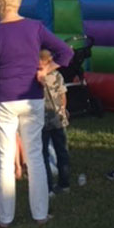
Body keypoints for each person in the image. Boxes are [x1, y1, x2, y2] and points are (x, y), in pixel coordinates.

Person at [0, 0, 73, 228]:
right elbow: (66, 52)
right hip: (31, 95)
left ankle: (5, 219)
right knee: (35, 156)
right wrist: (46, 68)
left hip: (2, 99)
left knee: (4, 159)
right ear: (18, 1)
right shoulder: (35, 28)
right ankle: (40, 215)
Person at [39, 49, 70, 197]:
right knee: (62, 151)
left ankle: (48, 187)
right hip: (58, 118)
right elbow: (63, 96)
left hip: (42, 120)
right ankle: (64, 184)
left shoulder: (37, 77)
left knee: (43, 153)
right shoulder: (57, 75)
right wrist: (63, 110)